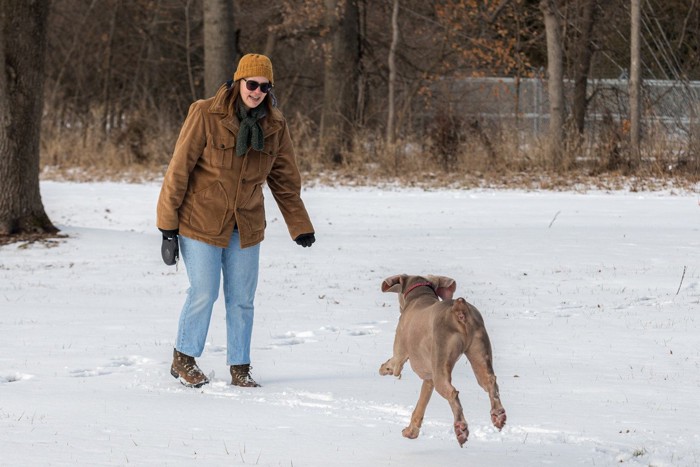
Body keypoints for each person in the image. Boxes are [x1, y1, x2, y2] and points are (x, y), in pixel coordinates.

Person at [156, 53, 315, 388]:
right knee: (204, 290)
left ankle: (239, 367)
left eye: (263, 86)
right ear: (239, 81)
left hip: (245, 224)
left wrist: (299, 225)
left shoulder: (275, 125)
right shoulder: (205, 113)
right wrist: (167, 226)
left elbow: (284, 180)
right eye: (251, 84)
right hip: (200, 220)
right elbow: (178, 169)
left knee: (242, 299)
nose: (256, 91)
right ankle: (183, 357)